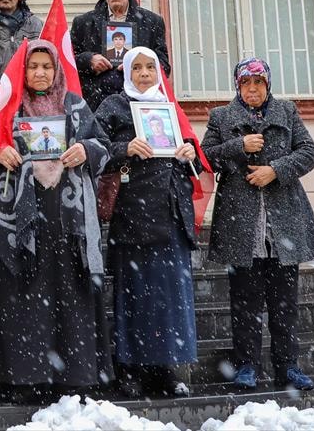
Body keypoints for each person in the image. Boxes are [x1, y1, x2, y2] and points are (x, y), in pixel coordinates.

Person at [0, 40, 111, 401]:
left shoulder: (75, 105)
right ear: (22, 71)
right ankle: (25, 377)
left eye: (47, 66)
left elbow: (104, 145)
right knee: (23, 295)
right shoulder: (8, 105)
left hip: (68, 220)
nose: (40, 73)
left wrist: (85, 149)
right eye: (33, 66)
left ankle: (74, 375)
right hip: (20, 220)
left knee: (70, 294)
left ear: (57, 70)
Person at [202, 57, 314, 392]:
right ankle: (247, 366)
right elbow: (206, 156)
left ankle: (288, 366)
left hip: (283, 224)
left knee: (284, 303)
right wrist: (238, 146)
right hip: (240, 223)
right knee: (245, 301)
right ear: (237, 86)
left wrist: (275, 170)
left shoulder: (286, 111)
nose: (252, 89)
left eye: (258, 83)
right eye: (246, 83)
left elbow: (309, 152)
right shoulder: (221, 117)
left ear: (267, 85)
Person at [95, 46, 199, 399]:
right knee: (135, 296)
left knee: (170, 299)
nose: (143, 74)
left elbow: (192, 154)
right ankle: (131, 368)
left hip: (172, 213)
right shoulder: (114, 105)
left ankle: (167, 368)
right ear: (126, 72)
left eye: (150, 68)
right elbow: (94, 148)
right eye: (136, 67)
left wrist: (189, 151)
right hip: (134, 213)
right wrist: (125, 148)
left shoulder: (168, 107)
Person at [72, 0, 171, 115]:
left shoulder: (152, 21)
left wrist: (138, 65)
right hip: (95, 105)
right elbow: (68, 62)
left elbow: (164, 65)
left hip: (139, 106)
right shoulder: (83, 23)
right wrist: (89, 60)